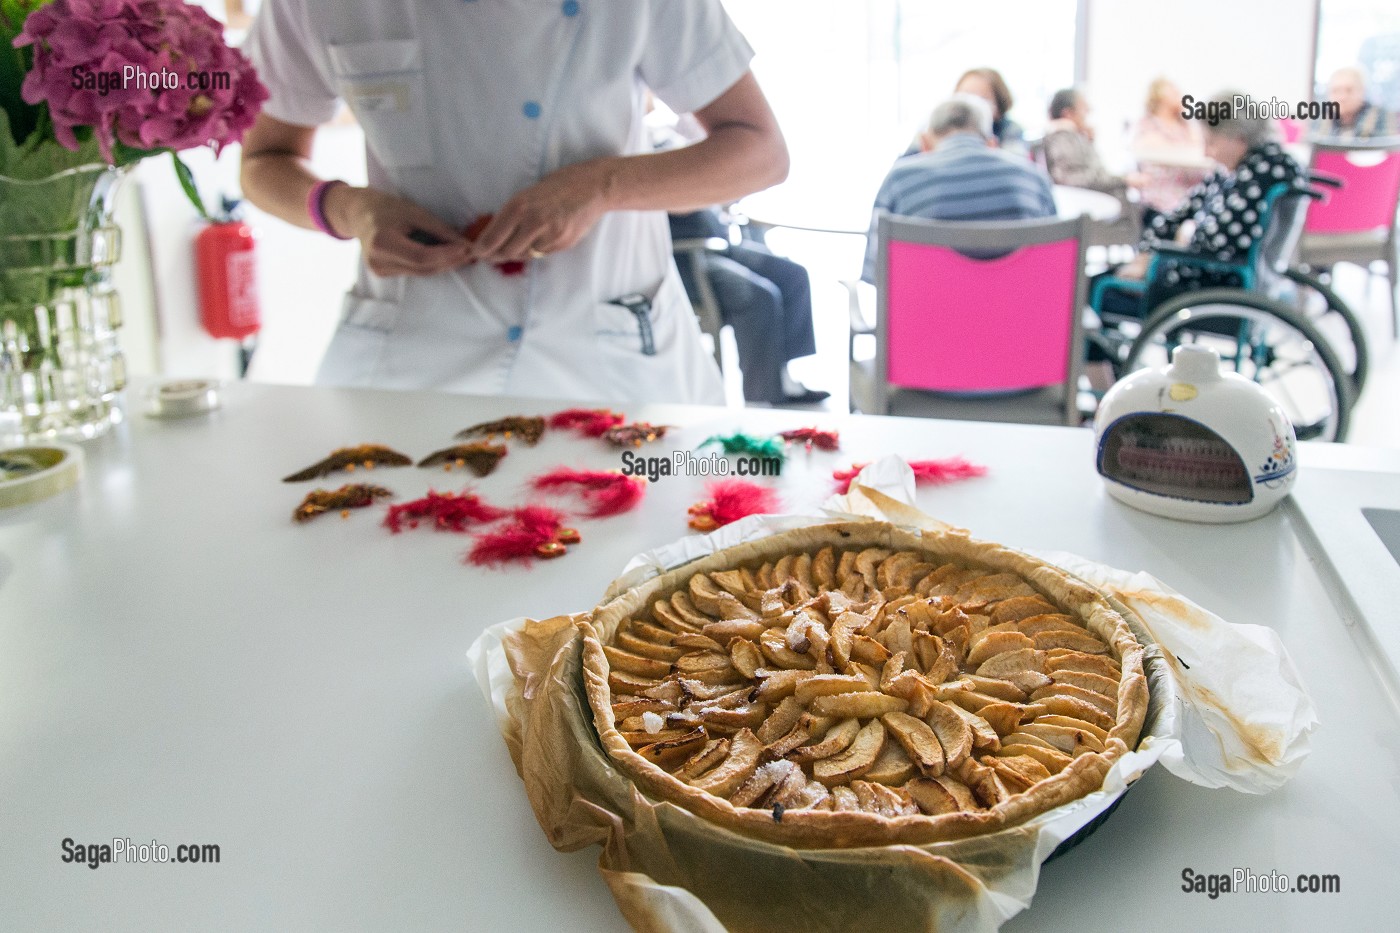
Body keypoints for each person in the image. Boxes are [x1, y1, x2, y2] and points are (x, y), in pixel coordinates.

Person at [238, 1, 788, 405]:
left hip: (606, 352)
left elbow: (760, 152)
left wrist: (602, 185)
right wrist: (349, 211)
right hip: (410, 350)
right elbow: (264, 160)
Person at [1101, 93, 1303, 311]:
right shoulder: (1234, 170)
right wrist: (1145, 254)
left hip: (1218, 283)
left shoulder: (1265, 171)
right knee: (1108, 277)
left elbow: (1216, 241)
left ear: (1238, 138)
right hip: (1205, 271)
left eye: (1211, 143)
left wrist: (1177, 241)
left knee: (1100, 289)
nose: (1207, 153)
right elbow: (1181, 213)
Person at [862, 96, 1055, 282]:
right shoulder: (1035, 179)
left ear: (925, 144)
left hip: (926, 314)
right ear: (991, 143)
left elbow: (876, 273)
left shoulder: (900, 180)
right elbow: (1051, 268)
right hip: (1019, 313)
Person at [669, 208, 827, 406]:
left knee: (793, 275)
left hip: (721, 245)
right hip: (689, 253)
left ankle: (783, 376)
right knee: (759, 296)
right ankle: (759, 398)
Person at [1130, 77, 1208, 215]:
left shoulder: (1186, 126)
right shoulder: (1147, 125)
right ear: (1159, 97)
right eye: (1173, 91)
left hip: (1191, 191)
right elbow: (1147, 149)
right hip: (1161, 194)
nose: (1179, 94)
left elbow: (1201, 150)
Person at [1042, 88, 1138, 195]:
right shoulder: (1063, 139)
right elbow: (1071, 180)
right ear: (1067, 114)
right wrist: (1123, 180)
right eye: (1083, 107)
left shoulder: (1075, 138)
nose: (1089, 110)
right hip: (1094, 203)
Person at [955, 68, 1027, 156]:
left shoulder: (1011, 130)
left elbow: (1015, 163)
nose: (971, 106)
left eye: (981, 99)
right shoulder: (946, 132)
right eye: (964, 98)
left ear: (998, 106)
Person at [1315, 66, 1399, 141]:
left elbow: (1388, 152)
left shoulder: (1381, 116)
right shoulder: (1320, 118)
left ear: (1362, 91)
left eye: (1349, 90)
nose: (1342, 97)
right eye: (1335, 91)